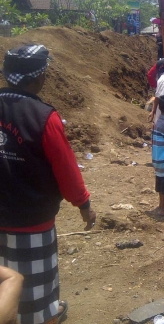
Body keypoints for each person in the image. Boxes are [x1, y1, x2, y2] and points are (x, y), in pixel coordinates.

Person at [0, 44, 96, 324]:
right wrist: (84, 204)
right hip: (32, 224)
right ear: (38, 77)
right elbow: (66, 170)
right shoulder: (44, 117)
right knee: (37, 297)